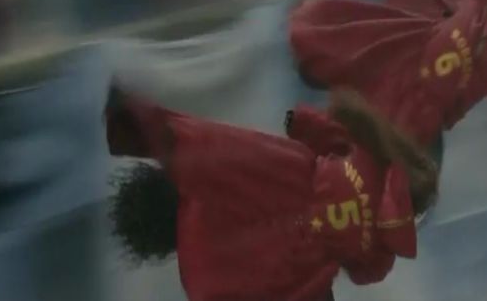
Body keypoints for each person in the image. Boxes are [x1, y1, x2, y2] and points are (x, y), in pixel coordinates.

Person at [106, 85, 439, 301]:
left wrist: (301, 122)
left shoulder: (201, 277)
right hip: (291, 198)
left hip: (293, 211)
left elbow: (329, 134)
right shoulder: (208, 189)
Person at [289, 0, 487, 149]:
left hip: (406, 55)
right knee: (371, 139)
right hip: (414, 107)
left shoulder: (470, 10)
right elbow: (456, 108)